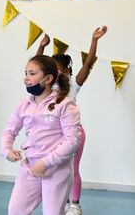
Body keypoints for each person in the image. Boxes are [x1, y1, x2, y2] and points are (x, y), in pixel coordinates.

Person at [36, 26, 107, 215]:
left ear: (67, 70)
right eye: (53, 71)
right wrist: (42, 47)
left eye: (60, 70)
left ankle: (75, 204)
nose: (57, 74)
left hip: (74, 135)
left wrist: (94, 40)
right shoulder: (47, 88)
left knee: (73, 169)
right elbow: (36, 68)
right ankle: (63, 203)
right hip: (54, 135)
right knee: (59, 172)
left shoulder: (73, 85)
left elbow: (89, 62)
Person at [0, 55, 81, 215]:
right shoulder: (23, 105)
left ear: (48, 79)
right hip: (29, 167)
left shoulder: (64, 104)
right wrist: (6, 150)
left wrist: (46, 163)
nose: (26, 79)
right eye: (25, 73)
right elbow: (9, 130)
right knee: (15, 211)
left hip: (56, 170)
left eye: (32, 74)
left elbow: (72, 140)